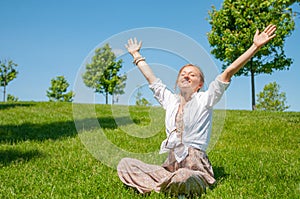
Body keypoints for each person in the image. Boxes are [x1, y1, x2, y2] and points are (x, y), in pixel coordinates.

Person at [117, 24, 277, 197]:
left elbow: (228, 73)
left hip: (194, 167)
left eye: (192, 74)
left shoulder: (205, 100)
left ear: (200, 84)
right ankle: (169, 184)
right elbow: (152, 79)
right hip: (170, 165)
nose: (186, 75)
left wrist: (254, 47)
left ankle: (171, 185)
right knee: (126, 164)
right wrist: (136, 54)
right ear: (178, 81)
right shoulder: (170, 100)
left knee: (184, 176)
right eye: (183, 73)